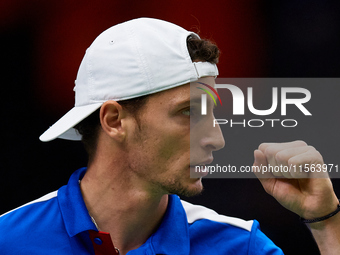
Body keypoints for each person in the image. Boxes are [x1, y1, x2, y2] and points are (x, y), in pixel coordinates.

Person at [0, 17, 339, 255]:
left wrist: (327, 221)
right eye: (189, 112)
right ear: (115, 120)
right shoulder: (8, 240)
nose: (217, 139)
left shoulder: (241, 246)